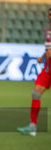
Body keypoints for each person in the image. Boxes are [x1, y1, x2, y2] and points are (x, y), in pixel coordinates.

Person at [18, 8, 51, 136]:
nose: (50, 16)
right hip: (48, 70)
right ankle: (32, 127)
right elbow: (48, 49)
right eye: (49, 14)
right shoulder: (47, 31)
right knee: (35, 93)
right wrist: (43, 56)